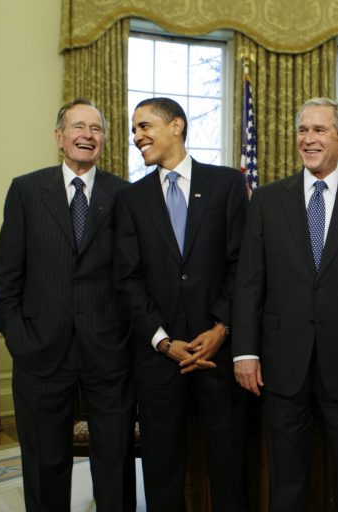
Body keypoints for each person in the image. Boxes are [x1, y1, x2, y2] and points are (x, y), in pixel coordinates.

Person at [232, 97, 338, 512]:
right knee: (286, 480)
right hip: (281, 362)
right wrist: (245, 352)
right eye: (303, 130)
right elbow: (250, 281)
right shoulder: (268, 201)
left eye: (319, 130)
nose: (308, 139)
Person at [0, 98, 135, 511]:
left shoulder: (124, 194)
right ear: (60, 137)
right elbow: (8, 279)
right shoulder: (25, 190)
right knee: (44, 463)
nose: (87, 136)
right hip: (41, 351)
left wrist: (125, 337)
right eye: (78, 127)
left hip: (108, 353)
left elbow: (133, 276)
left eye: (95, 129)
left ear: (104, 141)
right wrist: (20, 339)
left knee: (115, 463)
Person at [115, 97, 248, 511]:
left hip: (218, 356)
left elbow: (241, 265)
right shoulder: (131, 200)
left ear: (177, 125)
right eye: (134, 130)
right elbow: (127, 279)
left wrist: (220, 328)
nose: (137, 137)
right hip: (158, 362)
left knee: (229, 468)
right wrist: (162, 340)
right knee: (161, 472)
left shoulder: (226, 184)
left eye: (145, 126)